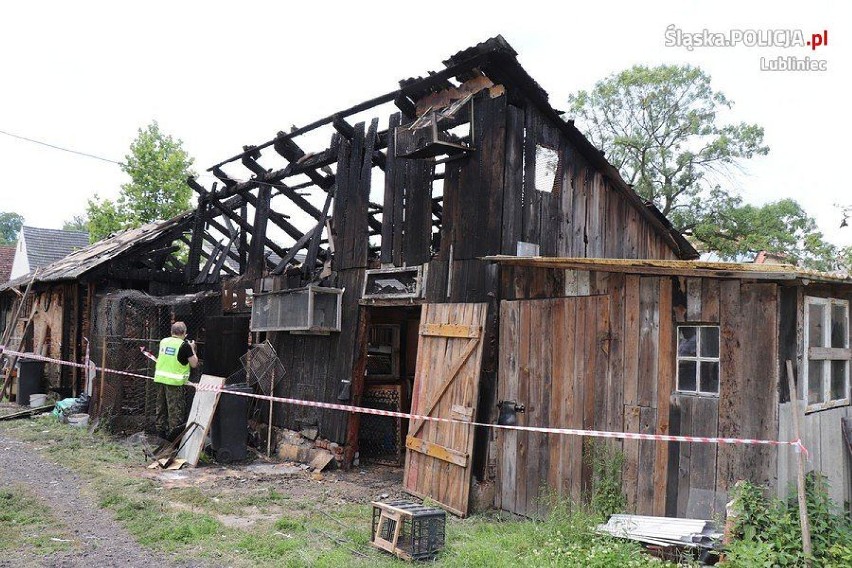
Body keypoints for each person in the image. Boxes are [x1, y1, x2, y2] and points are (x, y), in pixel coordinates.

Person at [153, 321, 199, 439]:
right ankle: (173, 441)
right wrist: (192, 348)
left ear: (171, 332)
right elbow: (194, 364)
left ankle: (160, 437)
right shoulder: (184, 345)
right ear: (184, 333)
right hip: (174, 383)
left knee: (161, 409)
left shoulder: (164, 342)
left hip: (160, 380)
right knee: (175, 413)